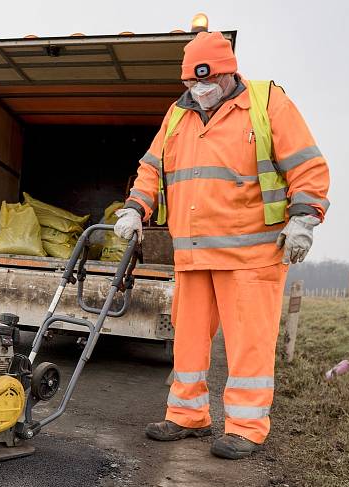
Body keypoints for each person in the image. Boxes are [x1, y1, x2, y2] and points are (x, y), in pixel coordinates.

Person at [113, 31, 330, 459]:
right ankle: (187, 415)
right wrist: (135, 209)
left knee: (249, 343)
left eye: (208, 80)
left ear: (229, 73)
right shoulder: (178, 116)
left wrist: (305, 219)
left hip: (252, 255)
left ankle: (247, 426)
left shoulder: (267, 105)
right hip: (193, 254)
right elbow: (151, 169)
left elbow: (307, 165)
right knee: (188, 341)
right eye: (192, 83)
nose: (201, 89)